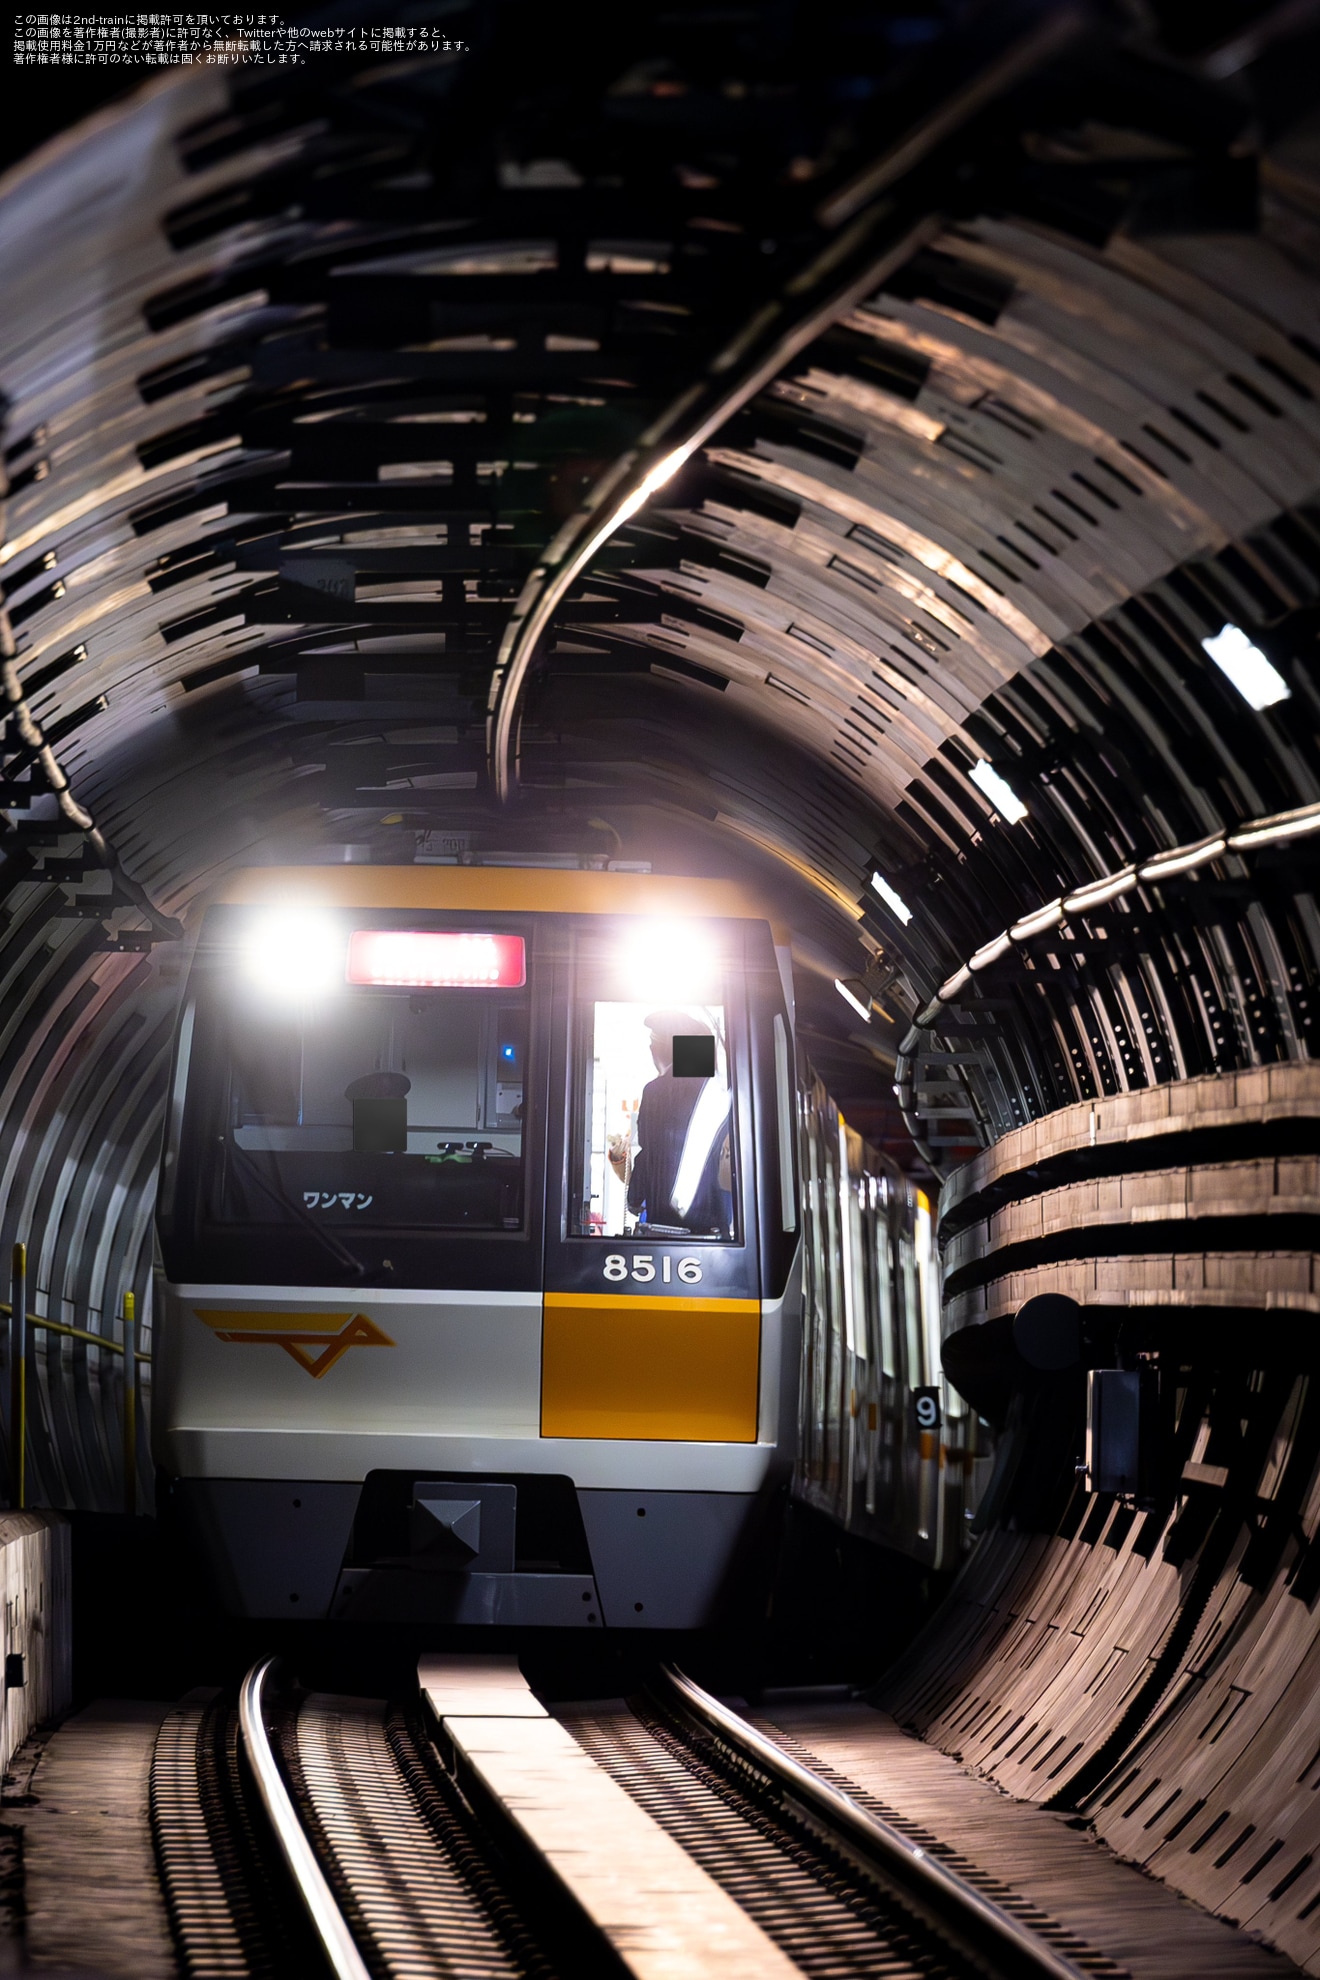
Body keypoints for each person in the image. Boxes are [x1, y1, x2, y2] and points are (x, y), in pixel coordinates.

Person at [627, 1011, 732, 1235]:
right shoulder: (720, 1091)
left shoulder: (655, 1092)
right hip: (715, 1229)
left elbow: (648, 1151)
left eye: (653, 1043)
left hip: (665, 1227)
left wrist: (634, 1197)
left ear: (667, 1048)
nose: (651, 1050)